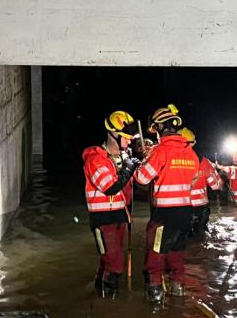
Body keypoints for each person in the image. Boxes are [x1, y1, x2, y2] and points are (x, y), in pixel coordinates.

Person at [135, 105, 199, 302]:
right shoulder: (190, 152)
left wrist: (144, 162)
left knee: (156, 255)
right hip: (186, 214)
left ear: (161, 128)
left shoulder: (161, 150)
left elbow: (141, 179)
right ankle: (178, 291)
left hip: (164, 214)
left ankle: (155, 297)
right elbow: (193, 177)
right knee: (177, 254)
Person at [82, 111, 140, 298]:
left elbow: (134, 186)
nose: (129, 142)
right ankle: (109, 303)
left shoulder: (123, 157)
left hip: (119, 215)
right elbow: (110, 188)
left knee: (109, 260)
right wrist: (129, 168)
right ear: (114, 135)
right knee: (115, 263)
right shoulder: (95, 159)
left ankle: (100, 296)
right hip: (102, 218)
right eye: (126, 138)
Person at [178, 127, 222, 235]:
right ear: (194, 143)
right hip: (200, 209)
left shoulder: (171, 161)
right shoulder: (204, 161)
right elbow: (217, 185)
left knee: (181, 240)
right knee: (200, 238)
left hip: (178, 208)